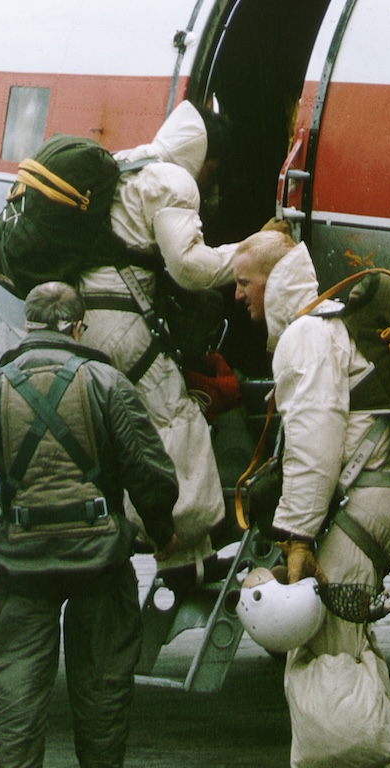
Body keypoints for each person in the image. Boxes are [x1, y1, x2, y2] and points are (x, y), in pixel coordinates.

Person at [0, 282, 180, 768]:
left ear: (27, 327)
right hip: (98, 552)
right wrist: (163, 530)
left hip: (21, 556)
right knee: (102, 672)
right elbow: (150, 469)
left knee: (17, 671)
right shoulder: (107, 383)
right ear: (78, 328)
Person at [232, 229, 390, 768]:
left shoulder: (306, 336)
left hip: (363, 505)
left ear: (275, 277)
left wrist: (295, 538)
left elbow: (313, 445)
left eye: (244, 282)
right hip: (380, 498)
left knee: (333, 647)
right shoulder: (325, 328)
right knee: (340, 640)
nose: (237, 295)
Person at [75, 101, 238, 586]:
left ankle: (158, 542)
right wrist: (254, 253)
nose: (211, 180)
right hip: (123, 324)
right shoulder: (174, 181)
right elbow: (188, 267)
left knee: (125, 427)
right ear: (205, 158)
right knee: (176, 416)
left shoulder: (128, 163)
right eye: (214, 169)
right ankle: (182, 553)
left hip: (90, 318)